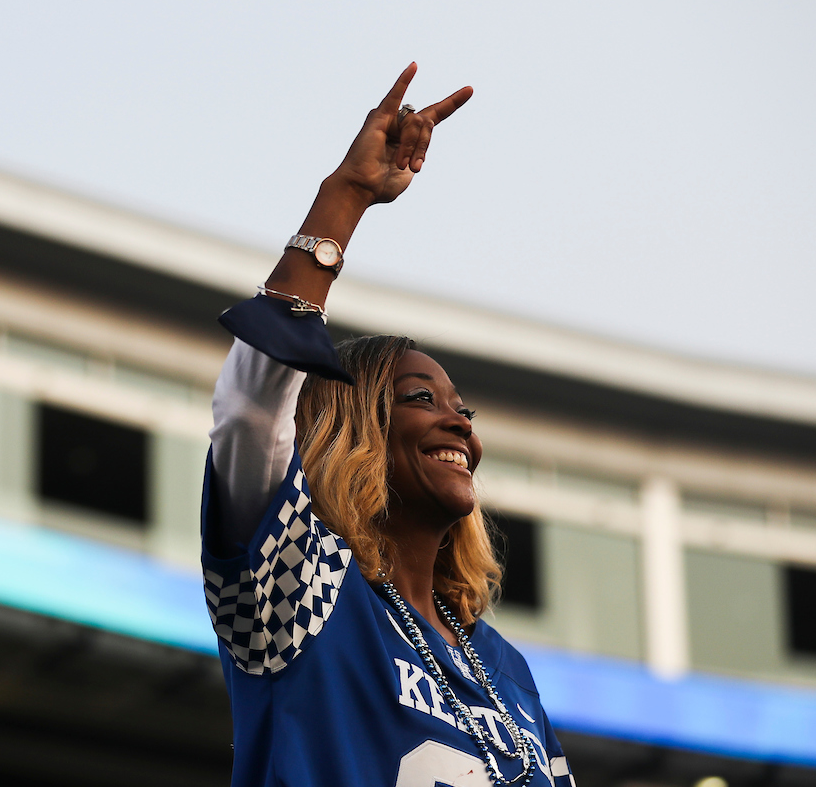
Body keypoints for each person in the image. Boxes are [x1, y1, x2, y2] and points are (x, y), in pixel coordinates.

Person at [201, 63, 577, 787]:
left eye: (462, 410)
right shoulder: (303, 589)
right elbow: (250, 413)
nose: (459, 425)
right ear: (355, 431)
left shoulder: (503, 668)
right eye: (421, 398)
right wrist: (345, 198)